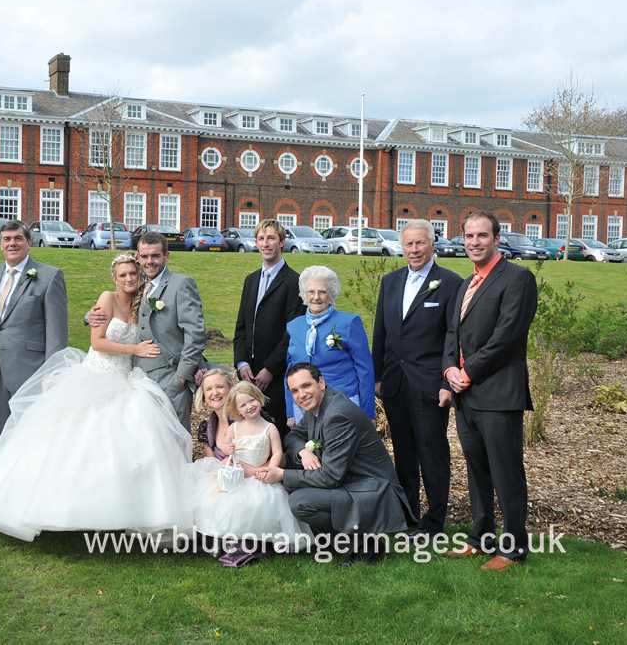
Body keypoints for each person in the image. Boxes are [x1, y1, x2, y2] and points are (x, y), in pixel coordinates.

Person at [0, 252, 192, 540]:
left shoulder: (144, 303)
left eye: (133, 273)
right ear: (114, 278)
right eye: (123, 275)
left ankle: (125, 512)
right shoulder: (107, 298)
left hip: (126, 379)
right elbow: (98, 341)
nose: (129, 278)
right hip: (95, 376)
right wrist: (135, 349)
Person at [443, 210, 537, 571]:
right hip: (466, 395)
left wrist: (467, 373)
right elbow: (452, 333)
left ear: (497, 239)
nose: (475, 242)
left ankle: (513, 549)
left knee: (506, 472)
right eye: (469, 236)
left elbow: (507, 337)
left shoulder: (517, 279)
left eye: (482, 235)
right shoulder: (468, 283)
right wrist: (449, 368)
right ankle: (480, 539)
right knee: (477, 469)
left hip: (498, 394)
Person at [259, 363, 413, 564]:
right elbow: (293, 436)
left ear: (321, 382)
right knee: (295, 486)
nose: (301, 394)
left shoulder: (337, 414)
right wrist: (303, 451)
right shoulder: (317, 406)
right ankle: (341, 540)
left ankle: (365, 546)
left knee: (301, 501)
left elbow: (330, 477)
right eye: (294, 390)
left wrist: (281, 475)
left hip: (371, 489)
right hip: (348, 479)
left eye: (306, 386)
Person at [372, 219, 463, 538]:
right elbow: (380, 332)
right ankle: (408, 513)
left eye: (420, 243)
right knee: (404, 453)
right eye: (408, 244)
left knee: (432, 454)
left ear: (432, 245)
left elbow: (454, 338)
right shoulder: (391, 281)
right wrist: (378, 377)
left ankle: (434, 521)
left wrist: (445, 383)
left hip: (429, 385)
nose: (414, 249)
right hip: (395, 383)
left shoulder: (451, 282)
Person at [89, 231, 207, 431]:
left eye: (155, 255)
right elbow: (116, 305)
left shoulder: (181, 284)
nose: (149, 261)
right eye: (144, 256)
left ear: (166, 256)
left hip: (171, 378)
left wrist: (181, 377)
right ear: (138, 257)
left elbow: (196, 334)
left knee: (175, 439)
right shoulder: (137, 282)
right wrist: (89, 316)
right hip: (136, 379)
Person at [185, 381, 308, 546]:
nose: (249, 406)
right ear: (237, 410)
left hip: (260, 475)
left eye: (252, 400)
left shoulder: (270, 428)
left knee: (270, 498)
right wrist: (228, 449)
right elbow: (227, 447)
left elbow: (277, 452)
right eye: (243, 405)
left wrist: (271, 469)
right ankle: (231, 538)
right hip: (238, 474)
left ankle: (260, 538)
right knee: (224, 500)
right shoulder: (235, 428)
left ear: (259, 398)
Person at [0, 220, 68, 441]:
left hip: (33, 371)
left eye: (18, 238)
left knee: (31, 435)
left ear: (29, 242)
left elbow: (57, 331)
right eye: (7, 239)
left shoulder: (50, 275)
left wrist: (51, 371)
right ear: (0, 245)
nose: (12, 244)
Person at [233, 219, 304, 439]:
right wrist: (242, 363)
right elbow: (241, 328)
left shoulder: (294, 282)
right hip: (249, 375)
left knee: (278, 437)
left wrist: (270, 369)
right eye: (261, 239)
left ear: (282, 242)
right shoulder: (250, 280)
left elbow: (292, 333)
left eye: (271, 238)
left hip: (277, 376)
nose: (266, 243)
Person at [285, 266, 375, 425]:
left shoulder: (349, 322)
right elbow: (290, 371)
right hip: (304, 405)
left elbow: (365, 369)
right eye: (311, 292)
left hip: (342, 403)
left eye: (322, 292)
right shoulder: (293, 326)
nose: (316, 297)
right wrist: (290, 412)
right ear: (304, 296)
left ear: (332, 295)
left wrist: (367, 414)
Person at [195, 368, 237, 461]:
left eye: (220, 387)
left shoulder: (245, 418)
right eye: (209, 389)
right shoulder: (207, 429)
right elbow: (211, 465)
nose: (215, 393)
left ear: (231, 388)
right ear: (204, 394)